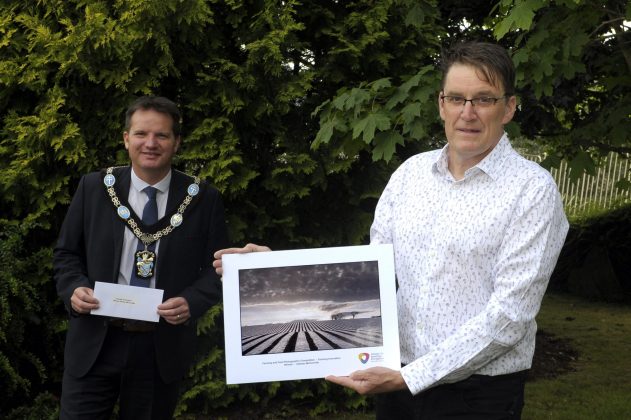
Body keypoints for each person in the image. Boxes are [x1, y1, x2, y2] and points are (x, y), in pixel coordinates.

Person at [213, 41, 569, 419]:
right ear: (441, 104)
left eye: (483, 99)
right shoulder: (410, 174)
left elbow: (510, 317)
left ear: (508, 108)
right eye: (457, 98)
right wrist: (276, 268)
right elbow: (370, 272)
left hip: (477, 395)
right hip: (398, 385)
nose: (468, 113)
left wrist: (412, 377)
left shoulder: (532, 190)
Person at [54, 95, 228, 419]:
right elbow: (66, 254)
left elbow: (217, 270)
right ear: (126, 139)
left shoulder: (203, 199)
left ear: (176, 142)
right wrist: (73, 289)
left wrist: (192, 301)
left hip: (158, 349)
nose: (150, 143)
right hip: (95, 341)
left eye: (161, 135)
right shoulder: (94, 188)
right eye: (141, 134)